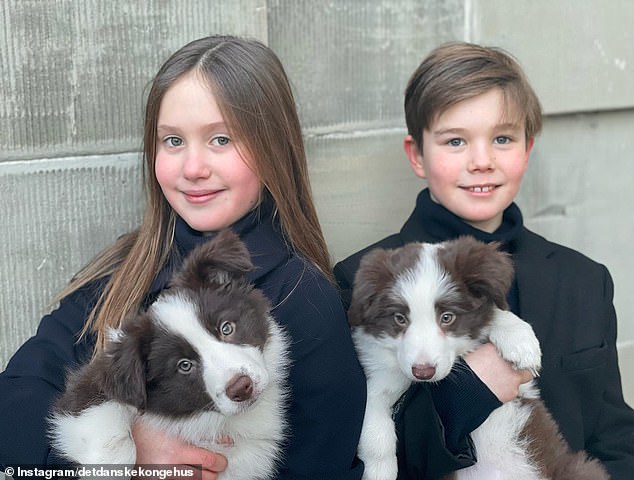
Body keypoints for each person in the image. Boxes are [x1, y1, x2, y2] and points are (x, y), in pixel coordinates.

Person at [0, 35, 366, 480]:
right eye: (173, 141)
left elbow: (321, 466)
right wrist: (125, 454)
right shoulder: (126, 269)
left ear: (274, 147)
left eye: (221, 139)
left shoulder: (302, 295)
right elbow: (17, 399)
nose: (193, 167)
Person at [334, 41, 634, 479]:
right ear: (417, 155)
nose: (482, 161)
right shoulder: (360, 281)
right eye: (455, 140)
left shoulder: (583, 280)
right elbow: (351, 447)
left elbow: (614, 434)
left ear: (527, 148)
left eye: (502, 138)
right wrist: (468, 393)